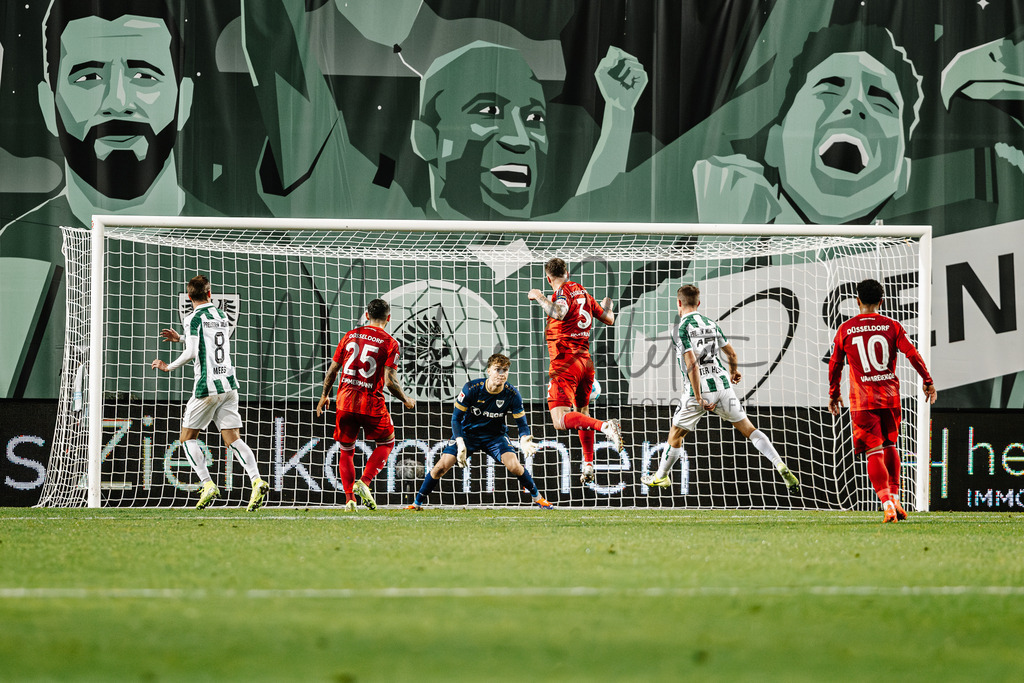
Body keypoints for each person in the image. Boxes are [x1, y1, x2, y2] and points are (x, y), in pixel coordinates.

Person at [1, 0, 217, 399]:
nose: (118, 100)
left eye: (144, 75)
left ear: (183, 101)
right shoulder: (11, 257)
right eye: (88, 76)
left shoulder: (257, 259)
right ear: (48, 105)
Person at [693, 23, 922, 225]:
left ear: (904, 176)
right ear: (774, 144)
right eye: (830, 88)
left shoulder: (910, 268)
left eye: (882, 103)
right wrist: (718, 244)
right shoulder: (721, 252)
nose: (855, 104)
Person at [412, 41, 646, 220]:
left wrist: (619, 110)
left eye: (534, 117)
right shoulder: (396, 261)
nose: (520, 140)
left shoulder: (554, 262)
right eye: (488, 111)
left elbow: (594, 211)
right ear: (425, 139)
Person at [641, 284, 800, 494]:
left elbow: (692, 364)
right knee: (750, 430)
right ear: (699, 303)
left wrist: (698, 397)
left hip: (700, 388)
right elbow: (731, 354)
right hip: (724, 385)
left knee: (676, 433)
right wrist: (734, 371)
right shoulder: (711, 323)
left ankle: (660, 477)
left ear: (678, 303)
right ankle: (779, 463)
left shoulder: (680, 329)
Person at [150, 275, 269, 511]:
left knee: (187, 438)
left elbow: (193, 351)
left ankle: (207, 484)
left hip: (207, 386)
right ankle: (256, 480)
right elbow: (210, 341)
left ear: (189, 297)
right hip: (229, 384)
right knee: (232, 439)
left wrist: (168, 366)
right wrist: (181, 338)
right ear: (209, 294)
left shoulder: (192, 317)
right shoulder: (220, 314)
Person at [828, 278, 936, 523]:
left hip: (862, 401)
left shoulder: (846, 328)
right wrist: (927, 380)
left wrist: (834, 394)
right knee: (890, 446)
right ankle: (897, 499)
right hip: (890, 397)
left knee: (873, 451)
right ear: (881, 301)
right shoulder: (892, 325)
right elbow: (912, 353)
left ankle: (887, 503)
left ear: (857, 301)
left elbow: (835, 365)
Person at [406, 353, 552, 509]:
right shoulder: (471, 389)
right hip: (468, 435)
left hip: (495, 437)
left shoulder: (512, 394)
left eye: (505, 370)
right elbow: (455, 419)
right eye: (498, 369)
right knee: (441, 467)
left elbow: (522, 424)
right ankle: (417, 503)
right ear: (488, 371)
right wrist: (460, 443)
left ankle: (539, 499)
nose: (502, 374)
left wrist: (524, 439)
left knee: (514, 466)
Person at [528, 257, 622, 485]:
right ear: (567, 272)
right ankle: (588, 464)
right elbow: (609, 318)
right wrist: (608, 304)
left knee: (560, 420)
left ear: (548, 278)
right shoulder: (584, 293)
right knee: (582, 413)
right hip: (585, 363)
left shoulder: (563, 292)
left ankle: (605, 426)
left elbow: (559, 312)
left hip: (565, 363)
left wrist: (538, 296)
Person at [317, 298, 416, 511]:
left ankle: (349, 499)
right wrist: (406, 399)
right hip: (370, 403)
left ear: (366, 315)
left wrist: (325, 395)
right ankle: (365, 481)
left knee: (346, 451)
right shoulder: (390, 343)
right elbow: (389, 381)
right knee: (387, 443)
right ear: (388, 318)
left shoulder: (350, 335)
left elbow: (333, 370)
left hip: (343, 401)